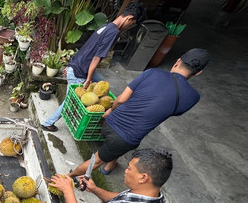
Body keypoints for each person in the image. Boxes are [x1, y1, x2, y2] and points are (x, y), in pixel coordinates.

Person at [67, 48, 209, 178]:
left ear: (178, 61)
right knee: (97, 160)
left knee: (121, 144)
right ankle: (70, 176)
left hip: (109, 122)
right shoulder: (193, 97)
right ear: (198, 72)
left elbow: (121, 100)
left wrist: (110, 111)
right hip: (126, 139)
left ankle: (110, 165)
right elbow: (171, 111)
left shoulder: (152, 72)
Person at [40, 1, 146, 132]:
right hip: (80, 72)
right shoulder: (114, 32)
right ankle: (48, 123)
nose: (130, 26)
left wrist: (72, 65)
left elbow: (87, 48)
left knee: (103, 84)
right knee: (70, 102)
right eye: (132, 24)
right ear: (130, 18)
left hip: (77, 66)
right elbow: (96, 58)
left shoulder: (106, 27)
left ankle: (103, 118)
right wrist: (88, 79)